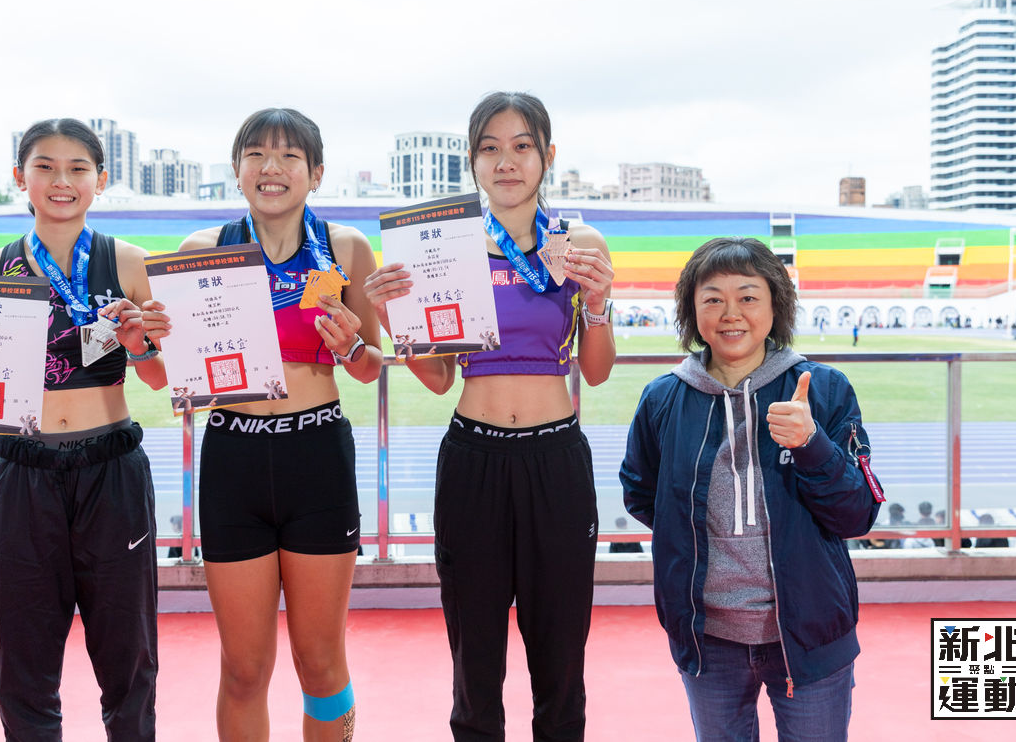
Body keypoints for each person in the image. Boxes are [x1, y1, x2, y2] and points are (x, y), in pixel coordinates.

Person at [365, 91, 617, 741]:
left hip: (555, 461)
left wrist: (597, 304)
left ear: (547, 155)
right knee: (474, 660)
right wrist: (394, 316)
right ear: (472, 161)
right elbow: (440, 377)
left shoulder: (578, 244)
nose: (507, 161)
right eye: (490, 148)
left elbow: (594, 371)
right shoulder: (445, 249)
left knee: (560, 656)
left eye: (522, 146)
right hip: (473, 460)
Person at [0, 118, 166, 741]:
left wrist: (139, 343)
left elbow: (160, 379)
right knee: (24, 661)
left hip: (111, 468)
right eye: (44, 166)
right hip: (22, 471)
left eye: (78, 168)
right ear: (19, 178)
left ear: (101, 179)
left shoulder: (130, 263)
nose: (61, 180)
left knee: (128, 654)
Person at [142, 108, 381, 742]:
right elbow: (168, 376)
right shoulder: (201, 254)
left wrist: (353, 347)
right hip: (235, 459)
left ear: (316, 173)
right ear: (237, 168)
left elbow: (369, 368)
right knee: (245, 668)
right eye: (256, 154)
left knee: (320, 662)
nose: (271, 168)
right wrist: (145, 344)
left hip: (318, 456)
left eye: (289, 156)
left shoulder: (346, 248)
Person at [620, 236, 883, 742]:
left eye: (747, 296)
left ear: (775, 305)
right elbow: (642, 493)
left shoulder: (824, 389)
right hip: (706, 636)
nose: (730, 313)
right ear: (692, 310)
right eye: (712, 298)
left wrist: (811, 445)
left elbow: (856, 515)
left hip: (809, 632)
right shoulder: (662, 399)